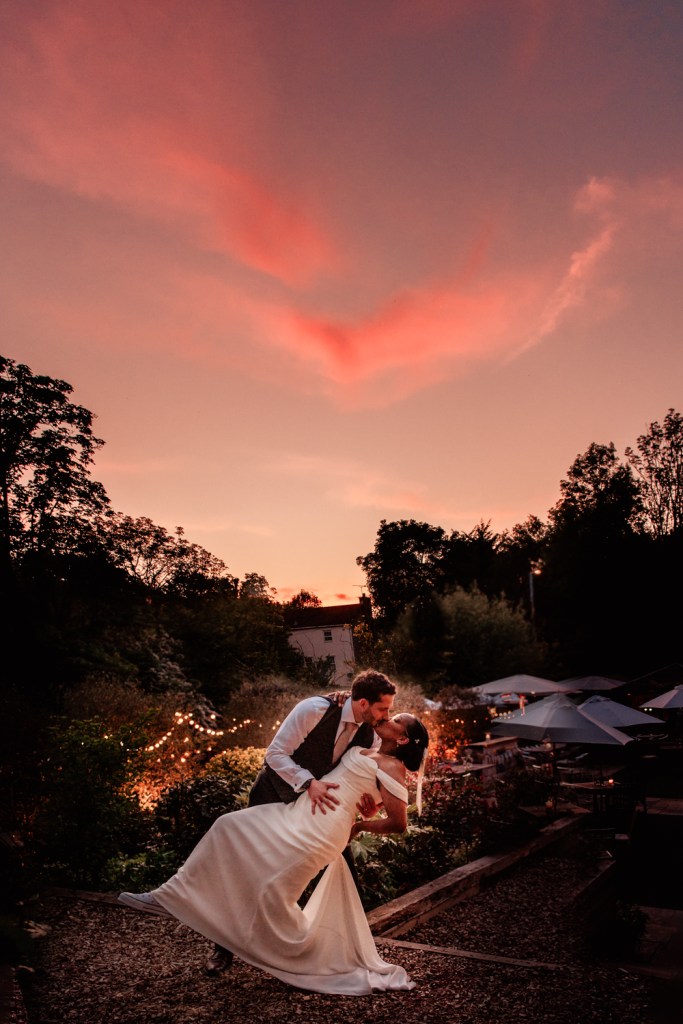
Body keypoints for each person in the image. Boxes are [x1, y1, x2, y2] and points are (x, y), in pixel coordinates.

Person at [119, 712, 430, 996]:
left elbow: (398, 823)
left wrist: (360, 825)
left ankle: (302, 955)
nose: (388, 717)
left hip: (322, 830)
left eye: (396, 720)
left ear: (403, 739)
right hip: (298, 812)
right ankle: (173, 894)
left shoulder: (393, 767)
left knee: (273, 893)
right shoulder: (366, 746)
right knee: (228, 826)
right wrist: (369, 806)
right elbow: (366, 795)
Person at [203, 668, 396, 974]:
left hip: (321, 812)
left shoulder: (370, 735)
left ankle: (347, 953)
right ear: (363, 703)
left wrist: (367, 807)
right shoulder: (314, 709)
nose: (387, 716)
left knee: (345, 874)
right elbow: (275, 754)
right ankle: (223, 948)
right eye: (383, 708)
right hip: (274, 796)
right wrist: (308, 783)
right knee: (250, 869)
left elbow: (358, 778)